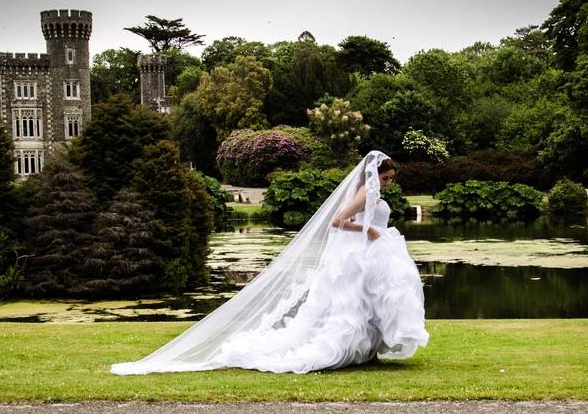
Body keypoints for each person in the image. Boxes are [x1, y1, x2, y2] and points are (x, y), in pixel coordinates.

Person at [110, 150, 428, 375]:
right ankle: (346, 351)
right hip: (360, 254)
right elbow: (336, 221)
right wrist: (367, 229)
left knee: (371, 303)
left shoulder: (374, 196)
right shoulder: (364, 194)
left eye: (389, 179)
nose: (388, 184)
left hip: (372, 255)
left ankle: (367, 352)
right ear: (374, 175)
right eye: (385, 178)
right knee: (351, 305)